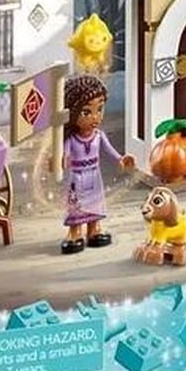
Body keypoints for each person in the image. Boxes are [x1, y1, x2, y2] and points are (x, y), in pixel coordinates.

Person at [59, 74, 134, 255]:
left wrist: (120, 159)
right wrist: (61, 160)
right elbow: (64, 155)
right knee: (76, 205)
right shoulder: (72, 139)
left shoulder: (99, 136)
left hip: (94, 174)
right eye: (86, 112)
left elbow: (110, 151)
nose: (95, 117)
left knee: (95, 202)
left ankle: (94, 228)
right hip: (77, 177)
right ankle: (75, 232)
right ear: (71, 113)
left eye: (99, 109)